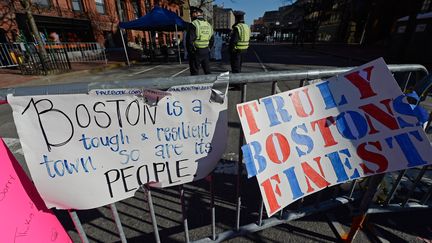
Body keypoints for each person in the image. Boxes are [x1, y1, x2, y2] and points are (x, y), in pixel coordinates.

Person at [186, 6, 214, 75]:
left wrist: (191, 52)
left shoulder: (194, 24)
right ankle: (209, 84)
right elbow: (212, 39)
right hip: (206, 51)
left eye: (192, 13)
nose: (190, 15)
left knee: (195, 72)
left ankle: (195, 85)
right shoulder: (208, 25)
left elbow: (189, 41)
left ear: (196, 13)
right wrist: (208, 48)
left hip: (196, 51)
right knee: (207, 71)